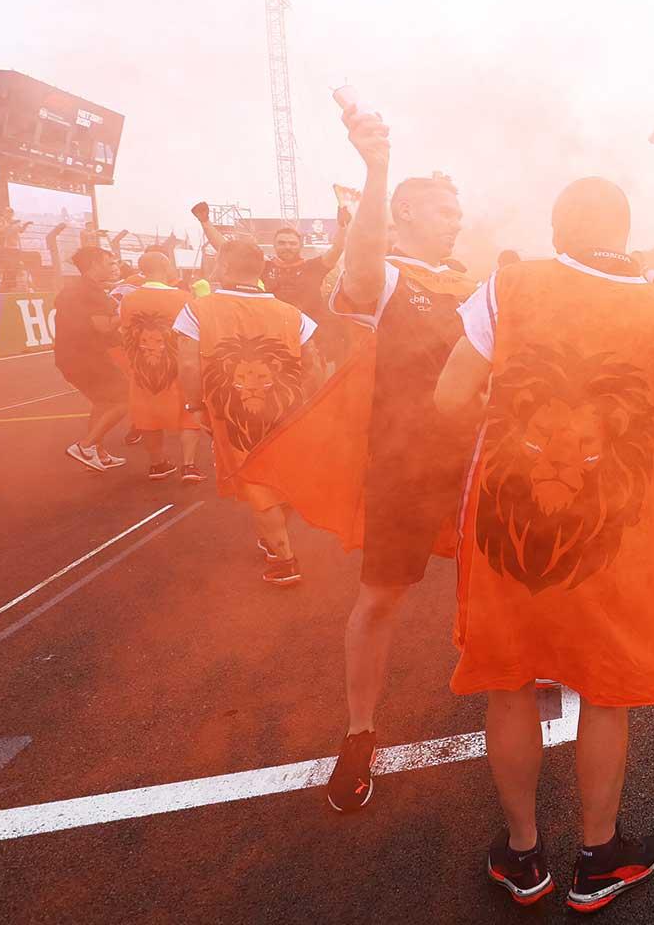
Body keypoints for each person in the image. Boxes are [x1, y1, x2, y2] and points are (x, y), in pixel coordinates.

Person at [435, 176, 654, 913]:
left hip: (507, 523)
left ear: (558, 232)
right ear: (622, 232)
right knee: (605, 688)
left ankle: (523, 858)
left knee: (511, 680)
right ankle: (599, 859)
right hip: (613, 532)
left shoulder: (507, 288)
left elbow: (448, 400)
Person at [237, 106, 478, 814]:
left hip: (474, 465)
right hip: (402, 465)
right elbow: (366, 264)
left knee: (498, 586)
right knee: (380, 600)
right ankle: (359, 732)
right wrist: (375, 170)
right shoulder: (387, 279)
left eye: (458, 211)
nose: (456, 221)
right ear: (403, 215)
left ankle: (521, 681)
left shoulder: (472, 285)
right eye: (442, 210)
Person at [174, 238, 320, 586]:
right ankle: (274, 539)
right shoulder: (292, 313)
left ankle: (285, 560)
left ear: (224, 266)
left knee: (256, 480)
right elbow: (315, 364)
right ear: (261, 269)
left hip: (231, 411)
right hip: (286, 409)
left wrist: (194, 405)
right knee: (279, 476)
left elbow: (188, 365)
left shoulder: (198, 309)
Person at [193, 205, 347, 369]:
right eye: (282, 243)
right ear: (275, 245)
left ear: (299, 246)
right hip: (275, 336)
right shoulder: (265, 267)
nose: (287, 246)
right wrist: (205, 222)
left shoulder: (313, 267)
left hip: (312, 337)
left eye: (292, 243)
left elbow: (337, 248)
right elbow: (227, 249)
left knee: (315, 385)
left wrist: (343, 225)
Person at [117, 252, 203, 482]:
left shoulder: (130, 299)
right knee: (189, 412)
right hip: (177, 366)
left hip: (144, 368)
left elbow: (125, 333)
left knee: (148, 415)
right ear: (166, 267)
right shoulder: (184, 298)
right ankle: (189, 465)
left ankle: (157, 464)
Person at [55, 246, 131, 473]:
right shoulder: (90, 292)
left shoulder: (76, 289)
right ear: (94, 265)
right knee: (123, 398)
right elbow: (103, 327)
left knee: (103, 401)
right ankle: (85, 446)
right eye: (110, 263)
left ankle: (96, 452)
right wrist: (127, 311)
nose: (115, 268)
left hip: (74, 355)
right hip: (85, 356)